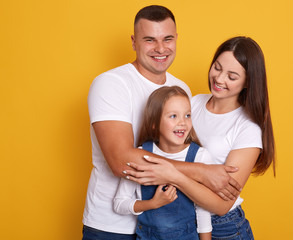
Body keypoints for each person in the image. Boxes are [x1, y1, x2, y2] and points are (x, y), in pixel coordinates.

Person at [82, 5, 240, 240]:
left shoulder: (181, 89)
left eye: (167, 39)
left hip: (169, 228)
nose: (160, 48)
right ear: (134, 42)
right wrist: (202, 172)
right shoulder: (111, 84)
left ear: (176, 39)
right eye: (149, 40)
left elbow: (186, 148)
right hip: (113, 226)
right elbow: (120, 161)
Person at [125, 36, 275, 240]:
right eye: (217, 67)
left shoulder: (247, 129)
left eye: (232, 76)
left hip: (222, 229)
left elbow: (222, 205)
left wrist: (173, 175)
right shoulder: (193, 103)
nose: (219, 79)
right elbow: (159, 149)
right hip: (179, 221)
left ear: (248, 81)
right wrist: (199, 173)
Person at [113, 86, 212, 240]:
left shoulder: (199, 156)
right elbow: (120, 204)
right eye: (173, 116)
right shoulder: (140, 156)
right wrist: (153, 203)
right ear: (154, 123)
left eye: (187, 115)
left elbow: (203, 210)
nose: (182, 122)